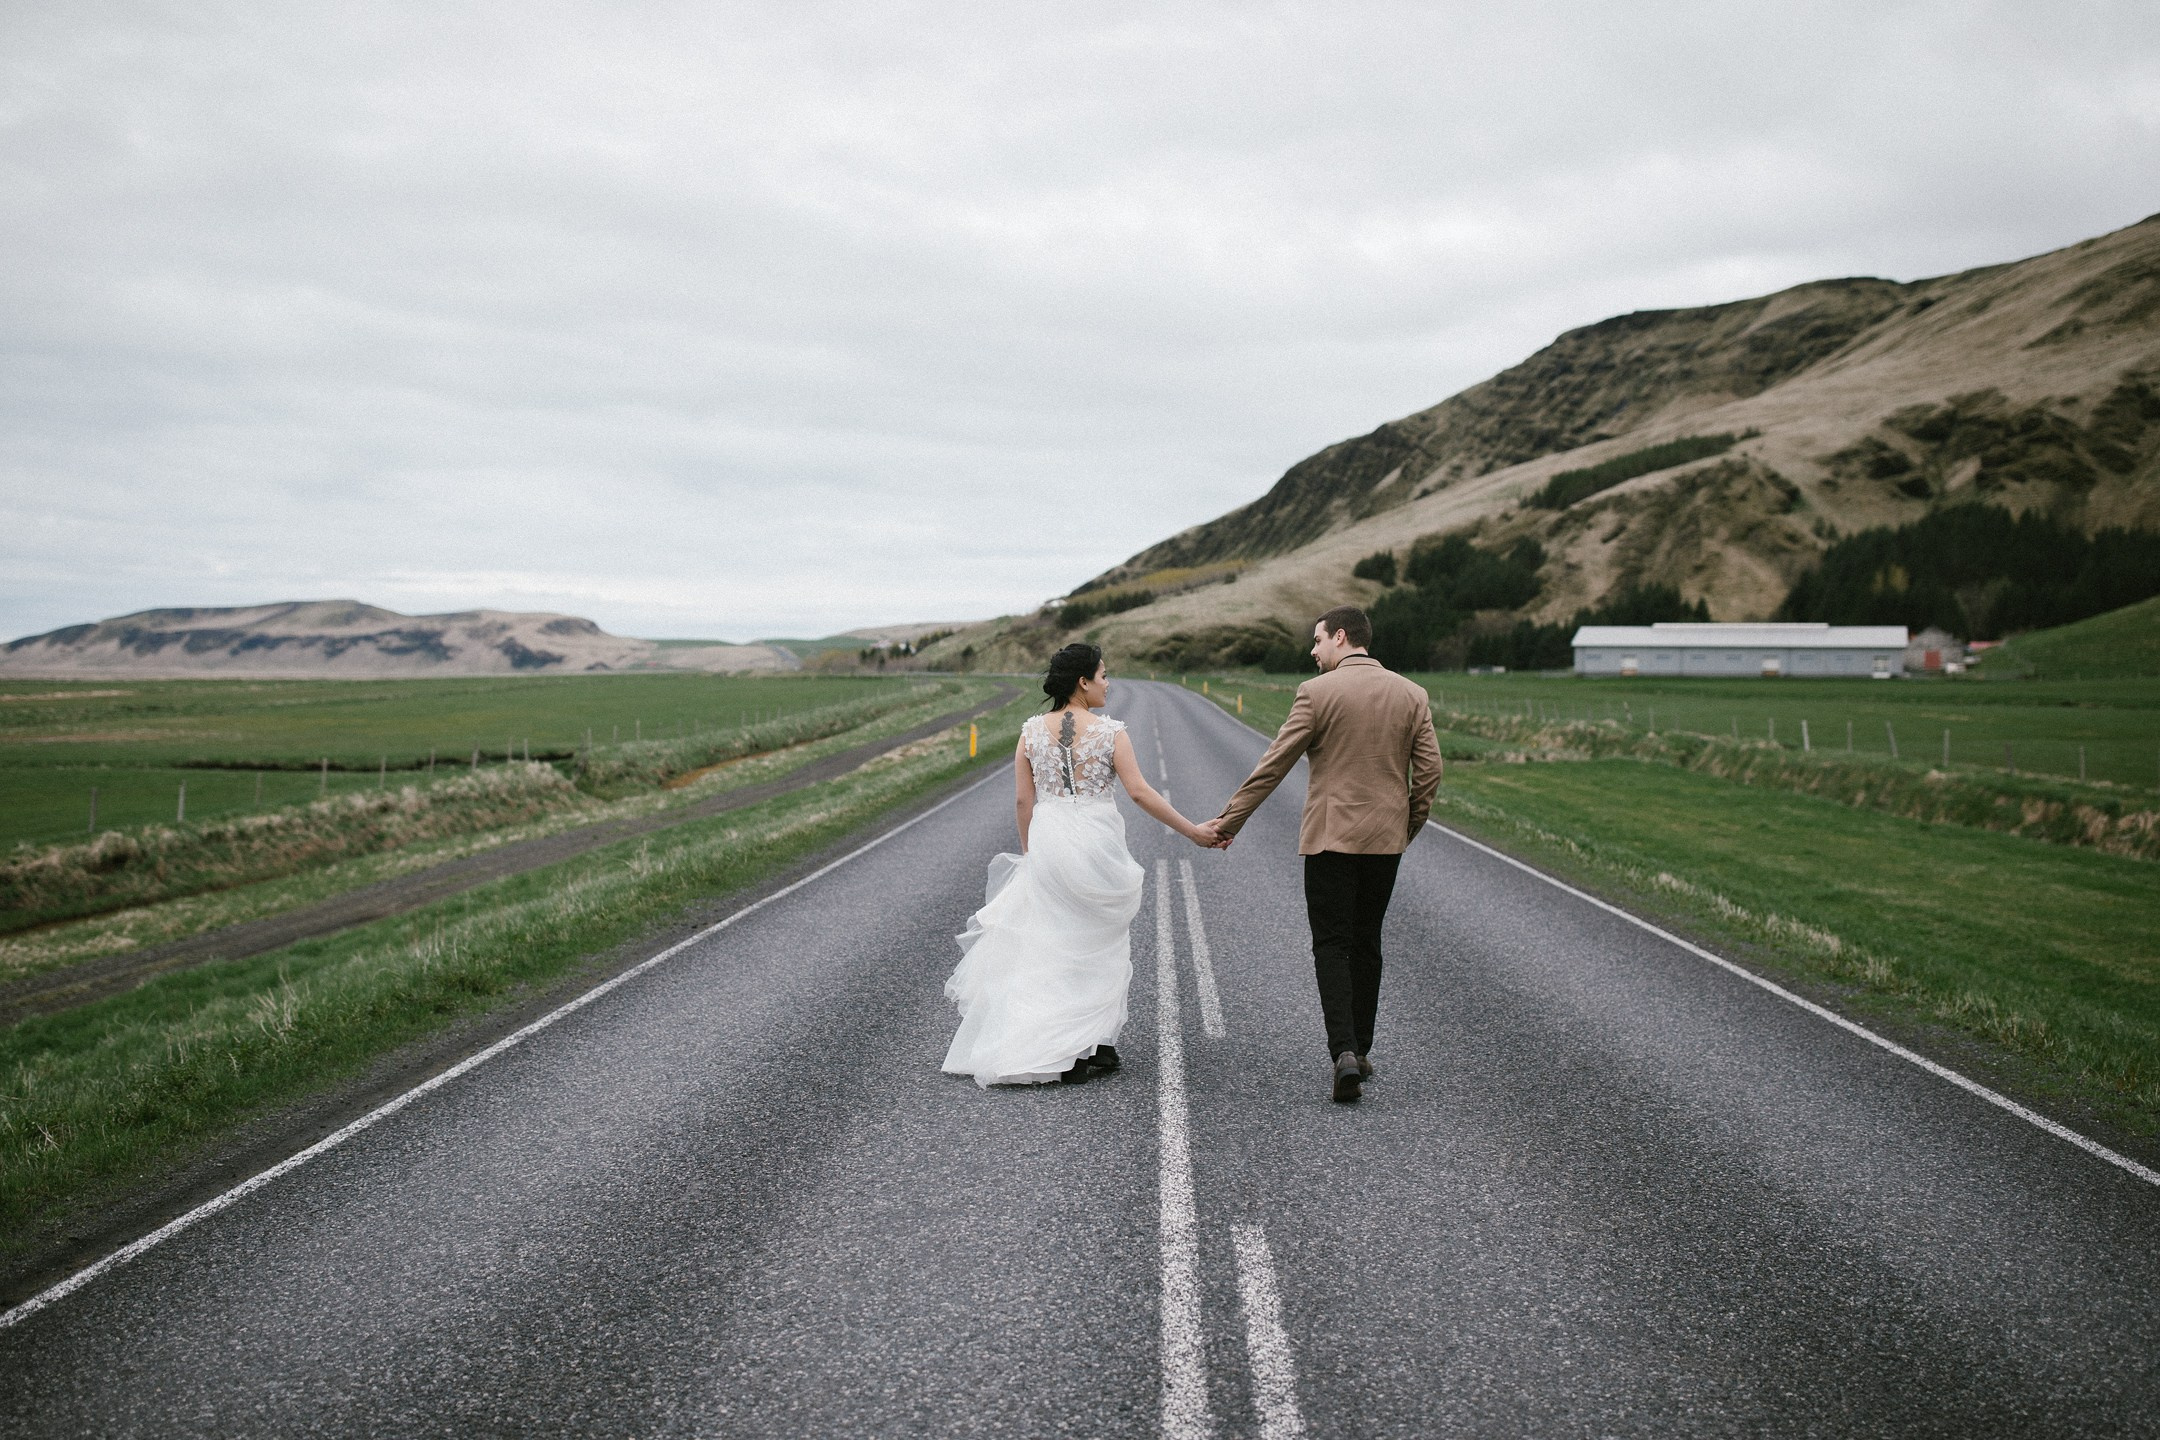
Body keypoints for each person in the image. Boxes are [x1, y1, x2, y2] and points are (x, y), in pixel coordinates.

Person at [943, 643, 1224, 1087]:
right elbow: (1139, 792)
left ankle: (1079, 1046)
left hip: (1050, 839)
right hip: (1096, 841)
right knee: (1102, 941)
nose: (1109, 684)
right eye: (1105, 675)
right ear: (1083, 681)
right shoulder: (1112, 733)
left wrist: (1030, 854)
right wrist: (1192, 831)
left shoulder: (1030, 732)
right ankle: (1093, 1043)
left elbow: (1023, 799)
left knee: (1054, 940)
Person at [1196, 606, 1442, 1102]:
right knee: (1368, 940)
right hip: (1385, 842)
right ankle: (1363, 1048)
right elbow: (1430, 774)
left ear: (1341, 637)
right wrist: (1404, 826)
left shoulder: (1317, 693)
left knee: (1331, 943)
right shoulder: (1412, 694)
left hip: (1330, 840)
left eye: (1317, 641)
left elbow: (1273, 765)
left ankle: (1343, 1052)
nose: (1312, 651)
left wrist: (1230, 821)